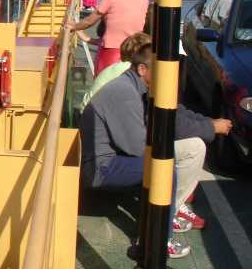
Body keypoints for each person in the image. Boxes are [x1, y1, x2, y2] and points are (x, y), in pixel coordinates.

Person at [79, 33, 233, 257]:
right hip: (99, 167)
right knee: (163, 170)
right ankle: (157, 240)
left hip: (111, 157)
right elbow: (136, 147)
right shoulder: (125, 92)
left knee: (169, 160)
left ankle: (163, 220)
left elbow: (170, 119)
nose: (165, 75)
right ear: (142, 70)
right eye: (159, 70)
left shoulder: (135, 86)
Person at [66, 0, 148, 76]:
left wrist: (74, 26)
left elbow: (89, 21)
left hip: (112, 54)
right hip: (134, 53)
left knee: (103, 83)